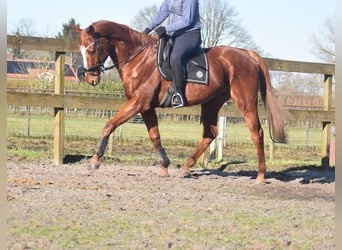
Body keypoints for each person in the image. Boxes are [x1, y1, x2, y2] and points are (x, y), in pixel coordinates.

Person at [143, 0, 202, 108]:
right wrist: (147, 30)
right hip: (174, 34)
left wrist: (166, 28)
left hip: (190, 34)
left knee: (175, 58)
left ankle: (178, 94)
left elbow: (187, 20)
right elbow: (161, 13)